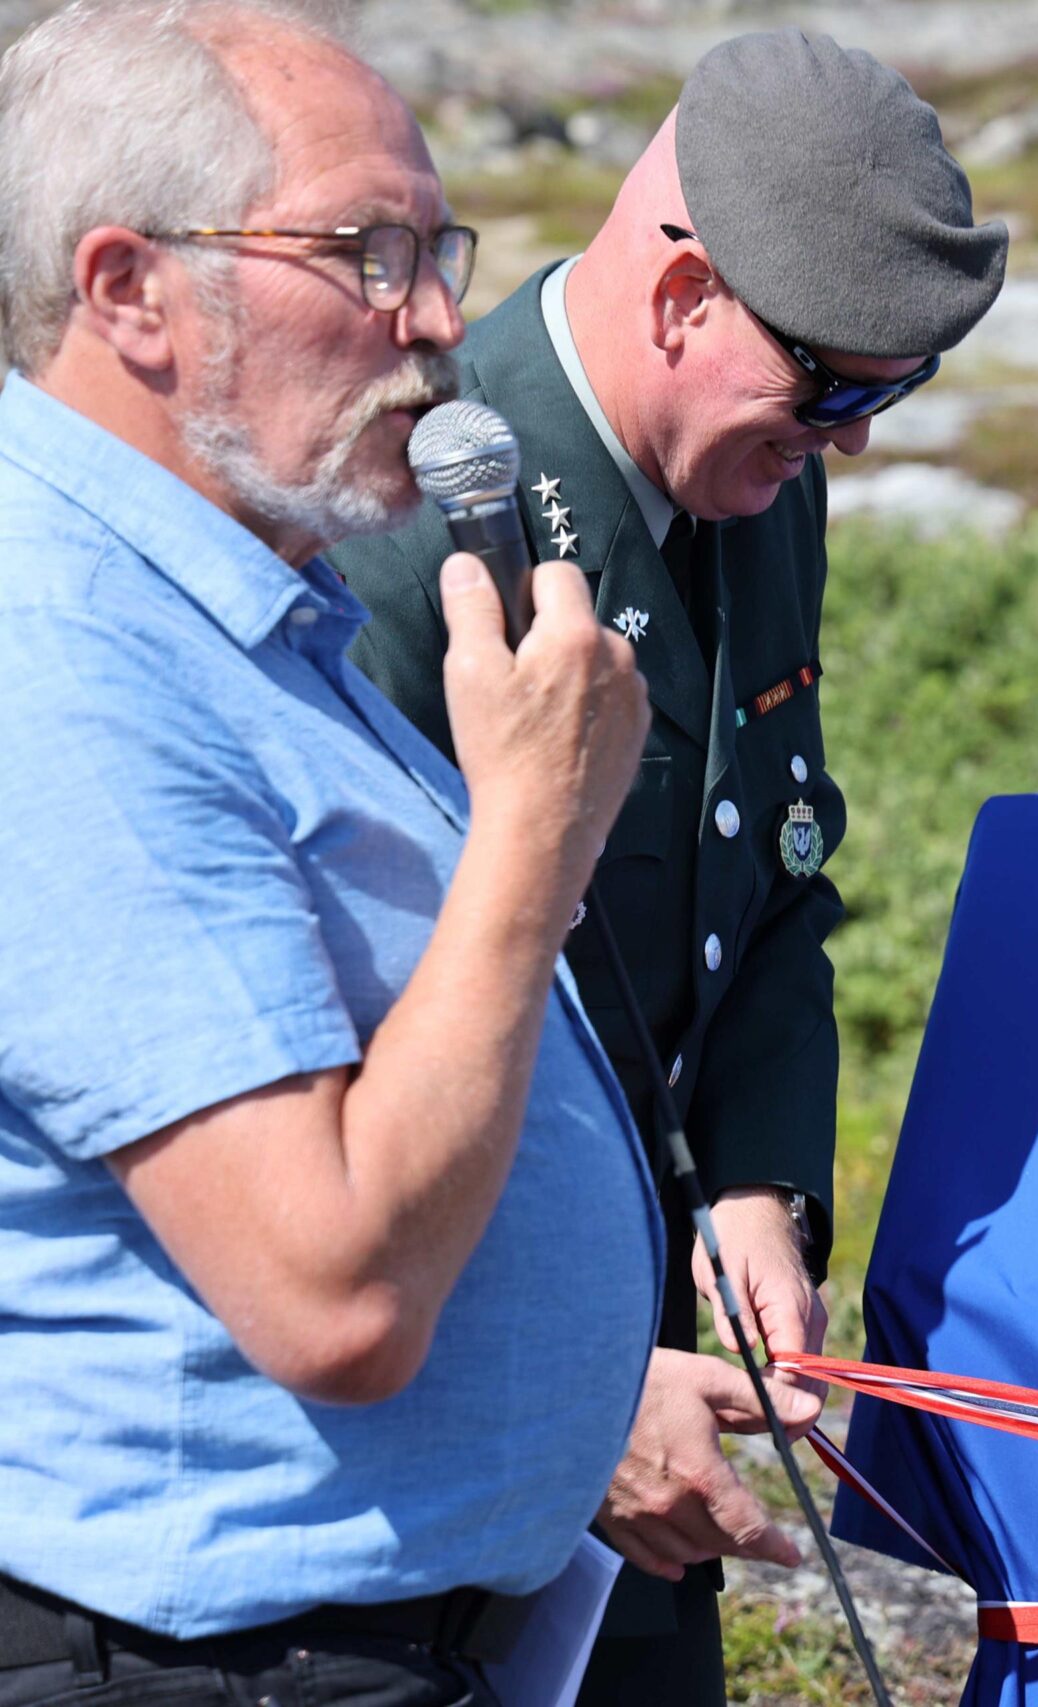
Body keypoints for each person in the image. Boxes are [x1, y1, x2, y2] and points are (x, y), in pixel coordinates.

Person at [328, 29, 1007, 1704]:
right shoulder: (407, 529)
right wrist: (566, 1376)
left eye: (891, 395)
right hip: (431, 1465)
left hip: (643, 1414)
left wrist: (761, 1190)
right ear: (687, 293)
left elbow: (767, 878)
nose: (853, 442)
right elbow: (326, 1071)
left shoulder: (755, 483)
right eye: (834, 391)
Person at [0, 2, 664, 1703]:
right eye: (365, 250)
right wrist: (531, 829)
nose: (437, 319)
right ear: (129, 288)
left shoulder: (233, 616)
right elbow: (335, 1296)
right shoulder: (64, 662)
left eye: (437, 247)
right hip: (210, 1669)